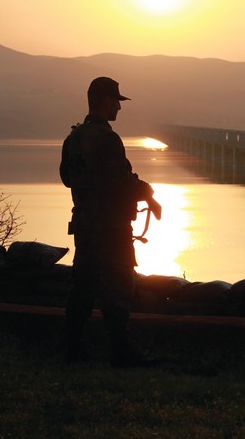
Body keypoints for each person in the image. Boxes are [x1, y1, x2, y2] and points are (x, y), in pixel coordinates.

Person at [59, 76, 162, 367]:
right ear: (105, 101)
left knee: (83, 287)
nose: (119, 106)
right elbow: (121, 181)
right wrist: (148, 193)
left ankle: (74, 349)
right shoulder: (107, 138)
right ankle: (120, 350)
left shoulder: (74, 137)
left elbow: (67, 179)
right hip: (112, 228)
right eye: (117, 101)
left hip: (85, 226)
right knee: (118, 288)